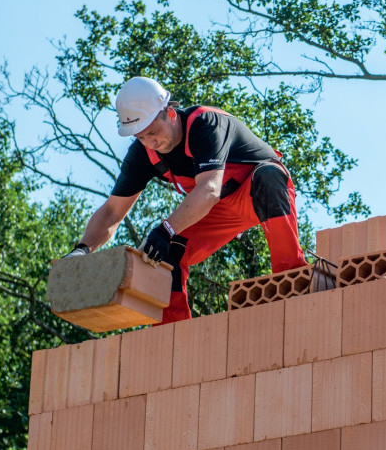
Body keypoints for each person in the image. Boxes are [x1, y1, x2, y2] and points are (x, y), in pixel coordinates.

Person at [64, 76, 307, 323]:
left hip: (256, 193)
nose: (151, 142)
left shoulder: (205, 124)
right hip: (217, 211)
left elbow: (209, 189)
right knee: (164, 249)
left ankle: (292, 280)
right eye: (141, 137)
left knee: (268, 176)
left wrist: (165, 229)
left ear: (169, 113)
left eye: (153, 132)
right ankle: (174, 332)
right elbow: (112, 212)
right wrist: (82, 251)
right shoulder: (144, 153)